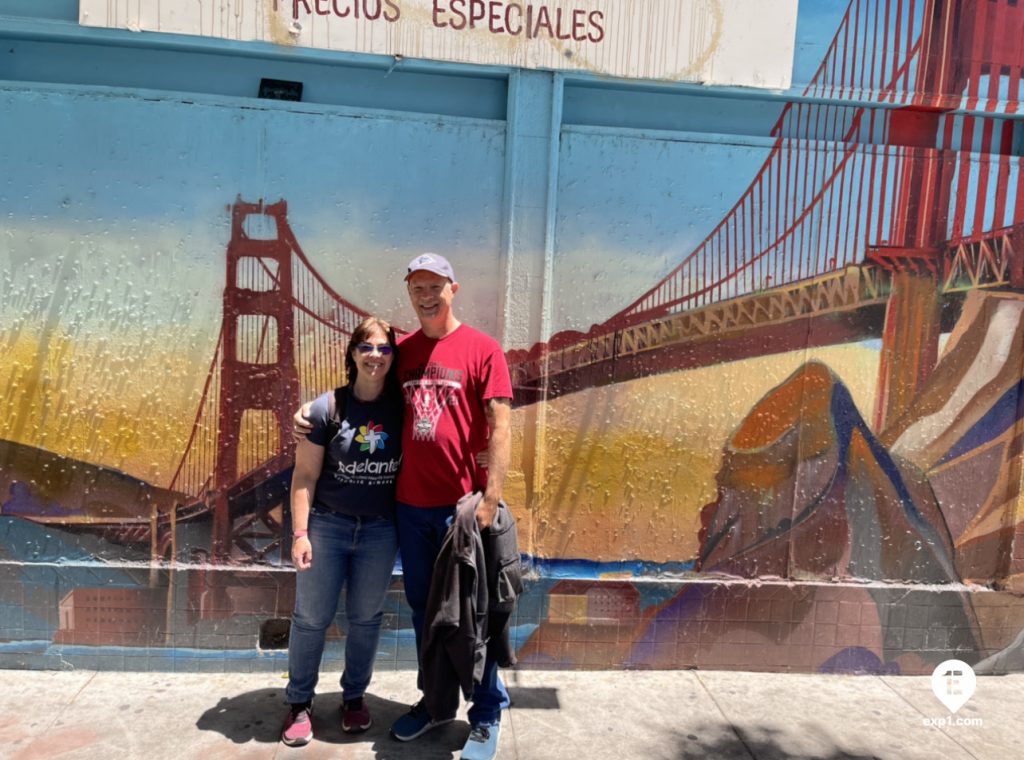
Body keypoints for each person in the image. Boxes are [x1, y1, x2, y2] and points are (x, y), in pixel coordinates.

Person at [295, 253, 513, 760]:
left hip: (462, 509)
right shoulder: (402, 350)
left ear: (453, 288)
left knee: (473, 616)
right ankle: (435, 703)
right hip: (409, 510)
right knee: (424, 615)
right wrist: (311, 410)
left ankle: (485, 714)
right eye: (418, 286)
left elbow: (501, 426)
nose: (427, 295)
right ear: (409, 291)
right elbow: (363, 389)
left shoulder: (484, 349)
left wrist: (492, 497)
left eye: (435, 285)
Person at [281, 316, 404, 747]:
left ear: (393, 357)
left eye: (385, 349)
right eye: (366, 347)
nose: (375, 356)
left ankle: (353, 697)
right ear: (352, 353)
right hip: (328, 526)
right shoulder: (325, 409)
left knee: (365, 619)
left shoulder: (403, 407)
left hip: (379, 531)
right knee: (311, 618)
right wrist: (300, 533)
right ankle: (299, 703)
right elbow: (304, 477)